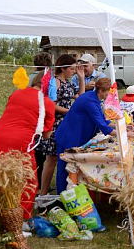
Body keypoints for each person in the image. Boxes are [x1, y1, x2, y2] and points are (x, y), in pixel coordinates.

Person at [55, 78, 134, 193]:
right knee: (64, 168)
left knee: (70, 167)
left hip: (76, 136)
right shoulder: (89, 101)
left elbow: (104, 121)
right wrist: (126, 134)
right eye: (107, 92)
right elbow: (104, 127)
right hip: (69, 137)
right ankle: (62, 195)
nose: (109, 95)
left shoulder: (94, 98)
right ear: (100, 90)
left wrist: (124, 127)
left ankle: (71, 193)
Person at [0, 72, 55, 219]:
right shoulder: (47, 103)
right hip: (21, 141)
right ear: (49, 87)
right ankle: (21, 220)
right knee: (28, 181)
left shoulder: (17, 93)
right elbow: (46, 135)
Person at [40, 54, 84, 195]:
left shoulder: (68, 83)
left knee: (63, 158)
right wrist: (68, 111)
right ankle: (43, 193)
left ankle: (60, 189)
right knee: (51, 160)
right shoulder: (56, 82)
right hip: (55, 124)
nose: (73, 71)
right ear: (63, 68)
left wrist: (82, 78)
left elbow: (80, 98)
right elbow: (51, 105)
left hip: (65, 124)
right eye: (71, 68)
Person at [28, 51, 52, 186]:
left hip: (29, 118)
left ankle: (33, 181)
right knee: (40, 153)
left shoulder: (28, 78)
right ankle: (37, 183)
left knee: (34, 152)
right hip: (40, 117)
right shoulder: (46, 79)